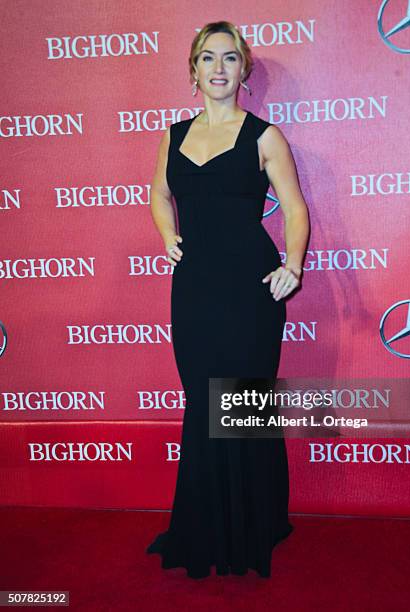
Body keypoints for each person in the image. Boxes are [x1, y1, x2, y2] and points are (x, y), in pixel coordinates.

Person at [147, 20, 310, 579]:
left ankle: (251, 525)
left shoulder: (265, 136)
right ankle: (203, 525)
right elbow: (159, 195)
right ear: (193, 70)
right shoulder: (172, 135)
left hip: (249, 289)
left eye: (230, 59)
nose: (219, 69)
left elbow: (293, 208)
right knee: (203, 404)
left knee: (240, 407)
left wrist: (292, 265)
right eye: (208, 58)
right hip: (193, 290)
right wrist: (168, 236)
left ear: (244, 70)